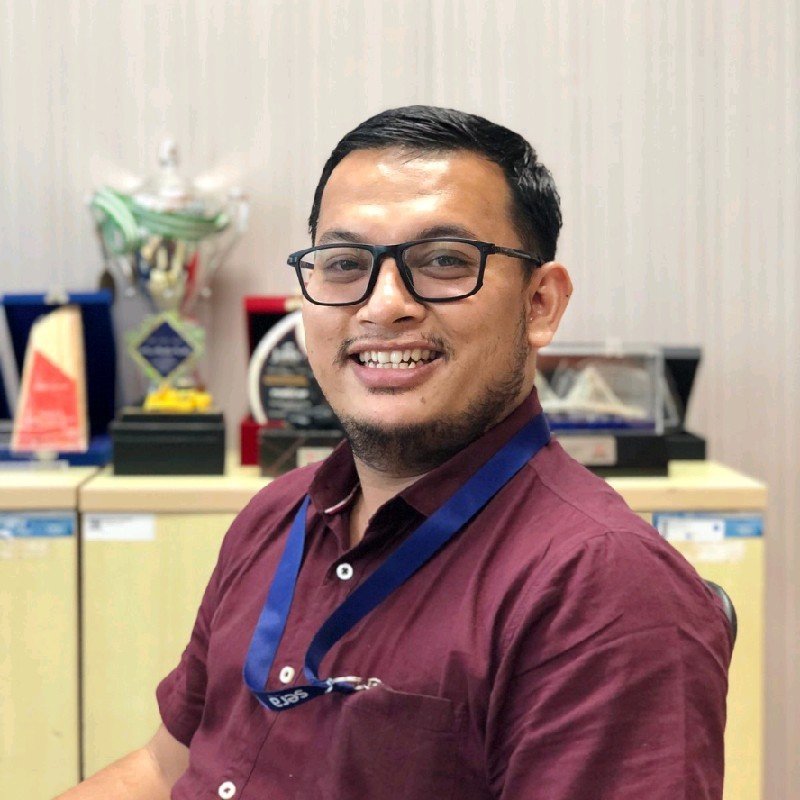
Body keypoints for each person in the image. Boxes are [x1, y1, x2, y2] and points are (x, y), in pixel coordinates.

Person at [59, 106, 731, 800]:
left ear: (540, 304)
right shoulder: (277, 515)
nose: (384, 305)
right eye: (345, 264)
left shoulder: (602, 588)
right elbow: (165, 766)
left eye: (443, 261)